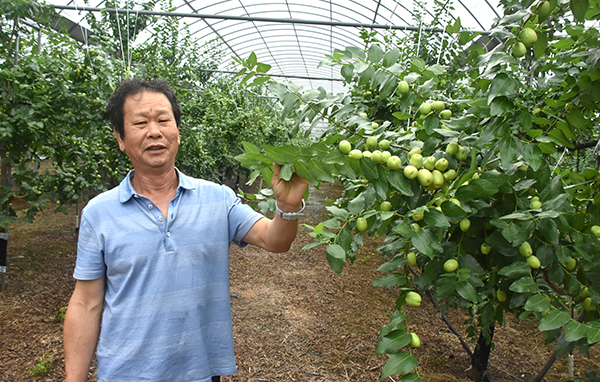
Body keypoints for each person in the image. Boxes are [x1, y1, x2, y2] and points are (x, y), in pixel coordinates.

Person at [63, 78, 309, 382]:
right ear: (120, 138)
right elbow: (86, 302)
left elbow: (275, 240)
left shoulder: (217, 199)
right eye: (140, 122)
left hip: (200, 372)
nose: (154, 131)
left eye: (163, 120)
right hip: (124, 373)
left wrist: (287, 206)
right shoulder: (99, 213)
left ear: (177, 132)